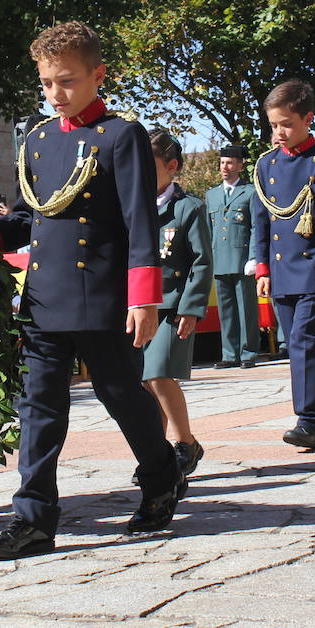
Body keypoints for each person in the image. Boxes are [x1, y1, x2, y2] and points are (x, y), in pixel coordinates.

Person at [0, 22, 184, 559]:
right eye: (46, 83)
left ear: (98, 75)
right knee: (38, 407)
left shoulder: (120, 135)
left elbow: (142, 221)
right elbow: (29, 218)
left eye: (66, 81)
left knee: (121, 397)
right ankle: (33, 517)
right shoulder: (40, 139)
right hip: (44, 297)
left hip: (99, 294)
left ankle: (161, 476)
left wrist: (144, 298)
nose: (54, 94)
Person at [252, 79, 315, 449]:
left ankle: (307, 420)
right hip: (280, 271)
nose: (279, 132)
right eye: (274, 124)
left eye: (287, 124)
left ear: (309, 119)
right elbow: (263, 220)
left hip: (313, 266)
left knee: (305, 344)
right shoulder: (266, 164)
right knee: (299, 346)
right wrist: (262, 268)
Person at [144, 128, 211, 479]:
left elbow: (201, 261)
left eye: (149, 165)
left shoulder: (188, 208)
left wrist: (191, 307)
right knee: (144, 381)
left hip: (172, 306)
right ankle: (156, 455)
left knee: (159, 374)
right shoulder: (133, 205)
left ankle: (185, 443)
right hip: (140, 307)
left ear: (171, 166)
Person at [205, 144, 261, 369]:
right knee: (225, 310)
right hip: (220, 259)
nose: (225, 167)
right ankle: (229, 353)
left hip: (241, 258)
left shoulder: (250, 193)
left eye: (229, 163)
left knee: (246, 308)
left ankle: (248, 352)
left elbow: (256, 226)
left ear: (240, 165)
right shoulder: (212, 194)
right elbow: (209, 230)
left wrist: (254, 256)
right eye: (222, 163)